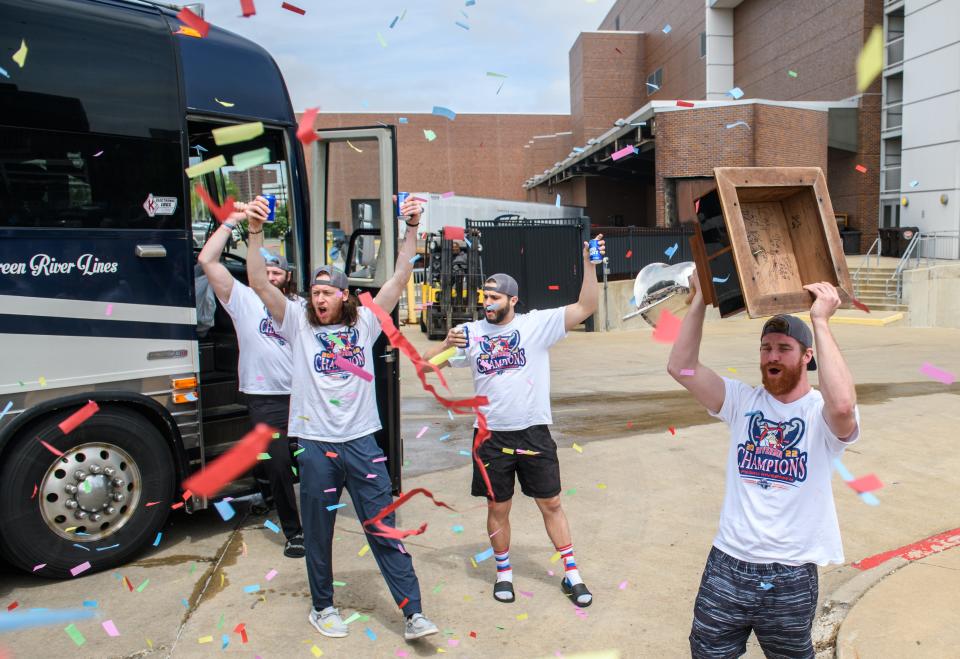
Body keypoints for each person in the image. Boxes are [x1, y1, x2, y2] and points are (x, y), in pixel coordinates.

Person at [244, 195, 440, 641]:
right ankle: (323, 607)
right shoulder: (297, 321)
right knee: (319, 532)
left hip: (362, 444)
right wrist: (254, 234)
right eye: (314, 292)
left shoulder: (365, 324)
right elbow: (258, 281)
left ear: (344, 295)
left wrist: (411, 227)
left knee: (384, 529)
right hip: (315, 446)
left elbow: (399, 276)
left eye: (326, 292)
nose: (318, 299)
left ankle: (414, 615)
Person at [667, 273, 860, 659]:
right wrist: (701, 297)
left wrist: (820, 322)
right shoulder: (741, 401)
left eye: (784, 348)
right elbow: (681, 367)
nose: (771, 356)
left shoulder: (819, 413)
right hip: (727, 564)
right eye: (765, 347)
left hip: (789, 575)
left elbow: (843, 408)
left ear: (807, 356)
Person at [423, 234, 605, 608]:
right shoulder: (470, 334)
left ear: (513, 300)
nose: (487, 303)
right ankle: (503, 573)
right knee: (497, 507)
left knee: (551, 503)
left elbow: (586, 306)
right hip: (489, 437)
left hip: (533, 431)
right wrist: (445, 344)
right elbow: (426, 363)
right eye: (484, 297)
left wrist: (590, 263)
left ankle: (572, 573)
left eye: (494, 298)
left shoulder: (536, 325)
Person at [197, 201, 304, 559]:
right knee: (276, 463)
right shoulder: (242, 298)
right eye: (266, 271)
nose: (271, 277)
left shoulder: (302, 306)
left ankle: (311, 515)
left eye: (278, 273)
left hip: (304, 397)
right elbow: (208, 261)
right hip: (265, 398)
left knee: (314, 463)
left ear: (287, 277)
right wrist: (231, 221)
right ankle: (294, 531)